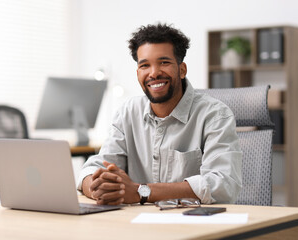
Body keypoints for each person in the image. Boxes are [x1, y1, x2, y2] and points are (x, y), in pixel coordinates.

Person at [77, 23, 242, 205]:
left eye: (164, 62)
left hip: (191, 225)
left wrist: (141, 192)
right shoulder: (128, 112)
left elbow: (223, 185)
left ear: (182, 69)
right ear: (138, 72)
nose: (154, 73)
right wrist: (100, 188)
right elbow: (93, 168)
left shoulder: (215, 115)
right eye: (145, 65)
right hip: (135, 227)